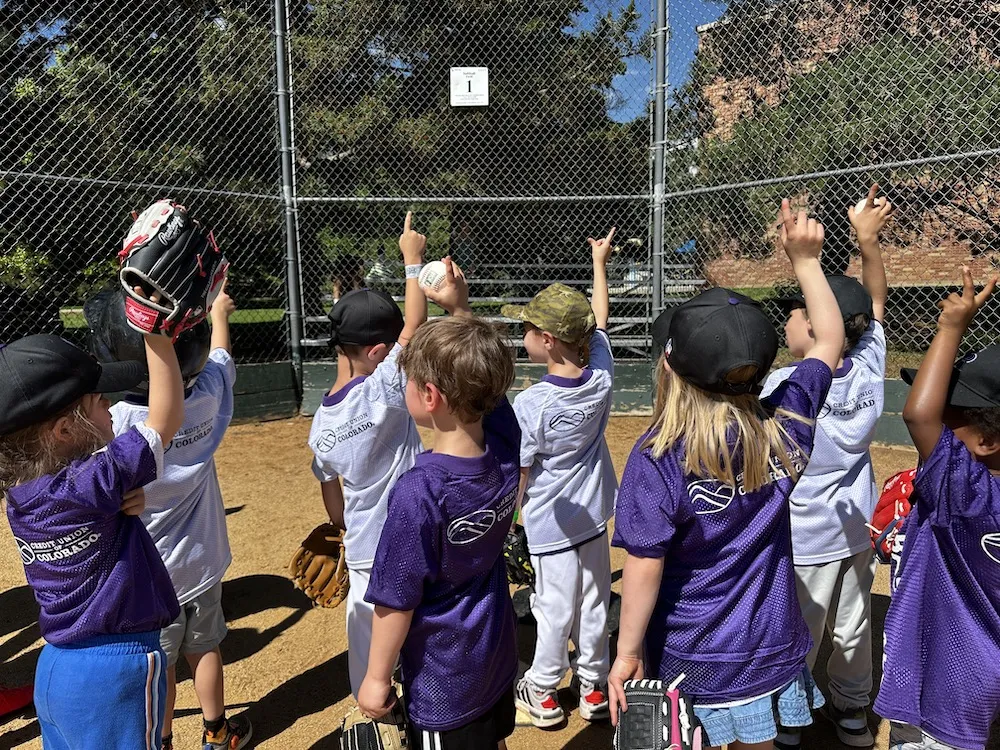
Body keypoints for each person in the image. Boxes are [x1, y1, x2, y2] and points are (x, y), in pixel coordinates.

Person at [608, 200, 845, 750]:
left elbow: (644, 565)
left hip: (694, 649)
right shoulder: (786, 422)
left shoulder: (658, 454)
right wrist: (807, 263)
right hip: (770, 643)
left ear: (669, 365)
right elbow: (830, 342)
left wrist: (627, 652)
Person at [357, 259, 520, 750]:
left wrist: (376, 678)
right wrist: (460, 310)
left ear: (429, 395)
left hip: (443, 681)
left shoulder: (420, 490)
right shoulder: (504, 448)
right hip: (495, 654)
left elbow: (396, 599)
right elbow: (490, 392)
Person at [0, 327, 185, 748]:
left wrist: (118, 502)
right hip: (116, 672)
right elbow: (167, 418)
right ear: (65, 430)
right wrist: (157, 332)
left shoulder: (22, 496)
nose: (110, 405)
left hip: (57, 670)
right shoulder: (92, 483)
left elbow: (81, 510)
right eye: (99, 401)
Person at [87, 282, 251, 750]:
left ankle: (162, 740)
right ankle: (217, 732)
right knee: (205, 647)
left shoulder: (115, 421)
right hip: (203, 561)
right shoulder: (209, 393)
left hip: (150, 575)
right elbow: (220, 358)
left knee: (162, 665)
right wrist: (219, 314)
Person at [760, 185, 893, 749]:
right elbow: (876, 305)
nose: (792, 317)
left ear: (818, 327)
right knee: (855, 625)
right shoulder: (867, 365)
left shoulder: (783, 387)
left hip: (806, 534)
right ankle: (853, 711)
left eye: (799, 312)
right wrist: (868, 241)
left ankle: (790, 721)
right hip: (856, 525)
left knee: (801, 630)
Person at [875, 267, 1000, 750]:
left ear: (987, 441)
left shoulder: (968, 495)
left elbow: (918, 414)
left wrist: (951, 327)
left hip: (937, 688)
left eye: (953, 415)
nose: (939, 428)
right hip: (977, 682)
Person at [308, 212, 427, 698]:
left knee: (366, 635)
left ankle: (371, 707)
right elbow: (416, 322)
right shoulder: (384, 391)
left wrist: (341, 525)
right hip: (411, 532)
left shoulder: (319, 428)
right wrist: (412, 260)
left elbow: (332, 498)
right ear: (378, 351)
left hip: (362, 546)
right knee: (418, 622)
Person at [503, 228, 618, 727]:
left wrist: (508, 521)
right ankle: (593, 686)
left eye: (528, 329)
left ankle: (544, 690)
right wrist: (600, 265)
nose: (523, 336)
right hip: (592, 517)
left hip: (550, 523)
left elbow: (521, 471)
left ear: (547, 341)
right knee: (593, 602)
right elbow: (600, 323)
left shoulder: (530, 403)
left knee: (552, 607)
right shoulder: (602, 379)